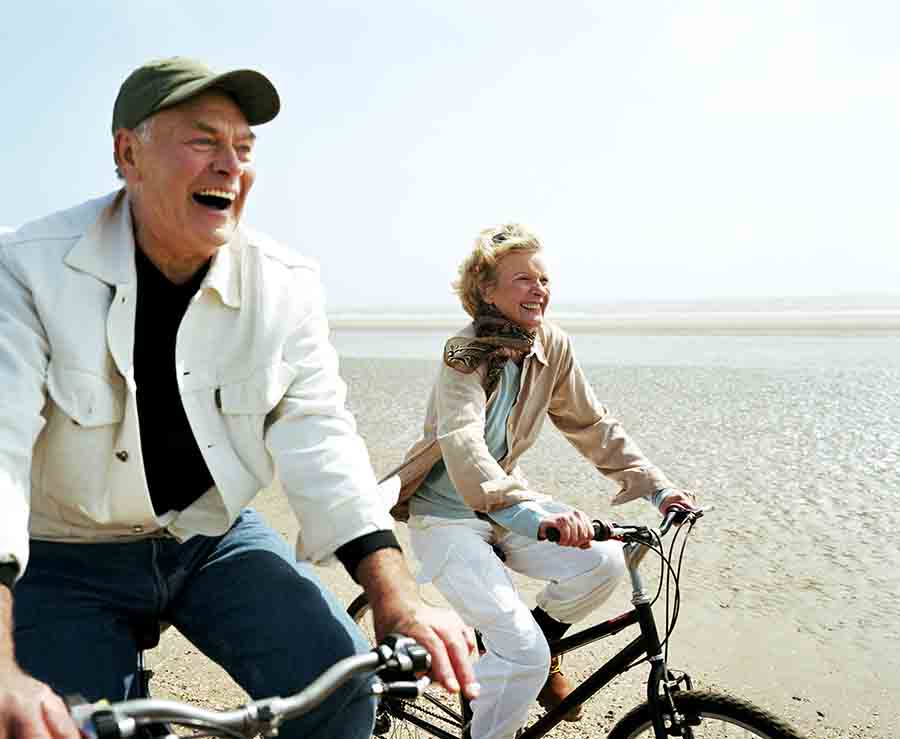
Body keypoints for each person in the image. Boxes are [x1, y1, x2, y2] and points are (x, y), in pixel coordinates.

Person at [0, 57, 478, 739]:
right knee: (62, 725)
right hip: (66, 546)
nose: (231, 165)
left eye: (244, 148)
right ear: (128, 154)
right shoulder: (25, 266)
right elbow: (1, 448)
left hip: (210, 534)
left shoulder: (285, 284)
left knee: (343, 686)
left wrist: (398, 598)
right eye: (203, 141)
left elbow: (322, 438)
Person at [383, 223, 699, 739]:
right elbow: (464, 445)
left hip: (506, 501)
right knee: (520, 650)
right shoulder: (461, 354)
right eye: (524, 279)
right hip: (447, 518)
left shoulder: (553, 345)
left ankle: (541, 650)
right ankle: (510, 684)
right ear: (487, 290)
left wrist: (659, 488)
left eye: (544, 279)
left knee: (603, 560)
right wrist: (537, 516)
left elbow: (593, 425)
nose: (539, 289)